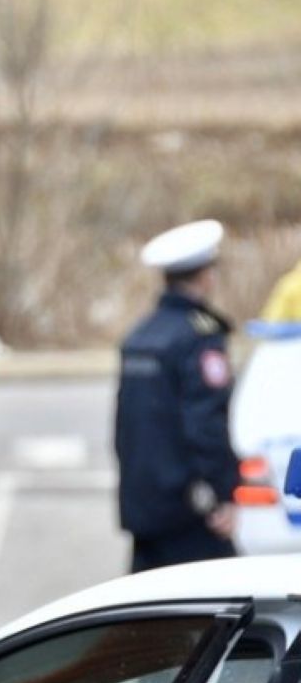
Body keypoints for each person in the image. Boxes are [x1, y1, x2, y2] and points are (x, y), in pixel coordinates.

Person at [115, 220, 239, 573]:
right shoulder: (198, 337)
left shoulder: (140, 336)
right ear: (206, 276)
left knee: (146, 604)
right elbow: (205, 424)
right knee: (221, 598)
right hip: (190, 513)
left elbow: (127, 427)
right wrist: (222, 493)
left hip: (145, 508)